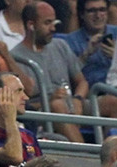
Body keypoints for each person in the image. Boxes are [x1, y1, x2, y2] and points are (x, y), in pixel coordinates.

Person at [9, 1, 87, 144]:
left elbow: (82, 81)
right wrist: (49, 101)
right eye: (47, 23)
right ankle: (87, 153)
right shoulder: (16, 56)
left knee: (115, 103)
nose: (53, 28)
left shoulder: (60, 45)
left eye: (54, 22)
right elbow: (24, 101)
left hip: (72, 101)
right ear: (31, 25)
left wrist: (78, 98)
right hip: (43, 110)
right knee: (57, 105)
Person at [62, 0, 117, 88]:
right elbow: (65, 75)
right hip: (92, 92)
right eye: (91, 11)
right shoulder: (70, 41)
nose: (98, 16)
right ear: (82, 15)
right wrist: (86, 55)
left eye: (102, 10)